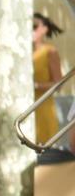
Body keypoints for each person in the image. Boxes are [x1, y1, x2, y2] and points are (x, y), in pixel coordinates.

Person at [33, 12, 65, 152]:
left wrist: (36, 86)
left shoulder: (50, 52)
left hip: (43, 107)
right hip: (23, 108)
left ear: (44, 29)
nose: (31, 30)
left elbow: (59, 83)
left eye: (34, 26)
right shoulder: (22, 52)